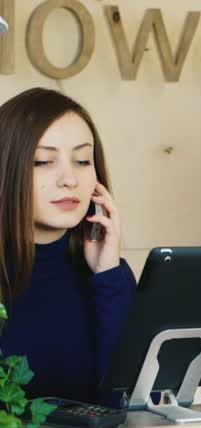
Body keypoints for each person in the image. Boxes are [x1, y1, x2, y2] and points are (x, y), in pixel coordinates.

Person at [0, 88, 136, 404]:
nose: (69, 179)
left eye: (82, 160)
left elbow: (127, 405)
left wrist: (108, 277)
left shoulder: (111, 276)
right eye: (44, 161)